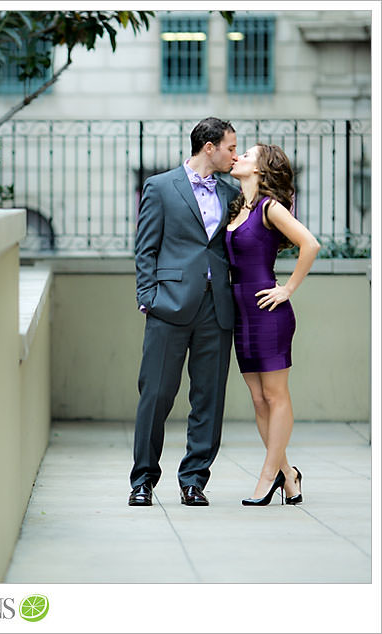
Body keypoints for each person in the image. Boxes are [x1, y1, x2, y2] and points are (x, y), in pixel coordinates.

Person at [128, 117, 240, 507]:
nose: (235, 154)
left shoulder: (232, 192)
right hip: (168, 305)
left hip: (217, 307)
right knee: (155, 394)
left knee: (208, 398)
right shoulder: (160, 186)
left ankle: (194, 479)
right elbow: (145, 248)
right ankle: (142, 480)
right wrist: (149, 297)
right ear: (208, 147)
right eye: (230, 147)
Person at [225, 143, 320, 506]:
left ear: (261, 170)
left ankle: (268, 477)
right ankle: (288, 476)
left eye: (246, 155)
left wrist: (287, 290)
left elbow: (309, 244)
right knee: (258, 399)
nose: (238, 158)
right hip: (241, 314)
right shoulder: (237, 208)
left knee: (275, 396)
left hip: (268, 313)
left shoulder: (270, 208)